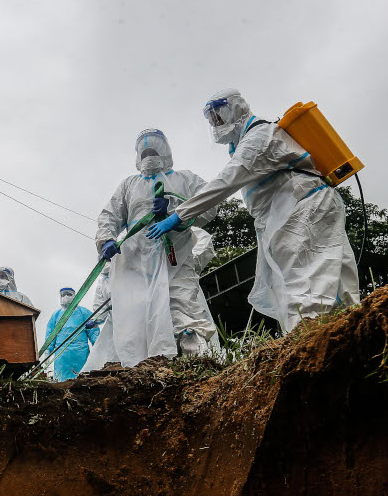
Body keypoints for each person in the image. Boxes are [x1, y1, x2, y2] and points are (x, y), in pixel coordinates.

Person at [146, 88, 360, 333]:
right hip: (299, 209)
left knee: (306, 278)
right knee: (331, 275)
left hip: (303, 208)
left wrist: (178, 215)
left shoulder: (259, 137)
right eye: (212, 120)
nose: (216, 124)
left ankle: (311, 340)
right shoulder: (245, 143)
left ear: (235, 108)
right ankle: (349, 332)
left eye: (218, 116)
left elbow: (227, 181)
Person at [96, 129, 220, 367]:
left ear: (166, 151)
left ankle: (197, 368)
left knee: (183, 308)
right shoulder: (128, 185)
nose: (149, 155)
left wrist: (176, 213)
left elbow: (210, 205)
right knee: (137, 320)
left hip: (175, 258)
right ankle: (146, 372)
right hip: (135, 264)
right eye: (145, 152)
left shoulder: (185, 180)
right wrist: (106, 240)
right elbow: (109, 215)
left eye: (154, 150)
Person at [45, 288, 100, 381]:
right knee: (61, 382)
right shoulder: (56, 315)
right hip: (62, 355)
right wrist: (47, 350)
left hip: (80, 353)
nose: (65, 297)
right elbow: (50, 334)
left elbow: (94, 332)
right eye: (63, 295)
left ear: (75, 296)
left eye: (68, 294)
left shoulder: (84, 312)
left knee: (82, 379)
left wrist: (98, 347)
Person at [82, 264, 119, 373]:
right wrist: (95, 319)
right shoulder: (103, 281)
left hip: (134, 319)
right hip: (115, 322)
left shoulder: (127, 271)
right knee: (114, 353)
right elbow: (100, 304)